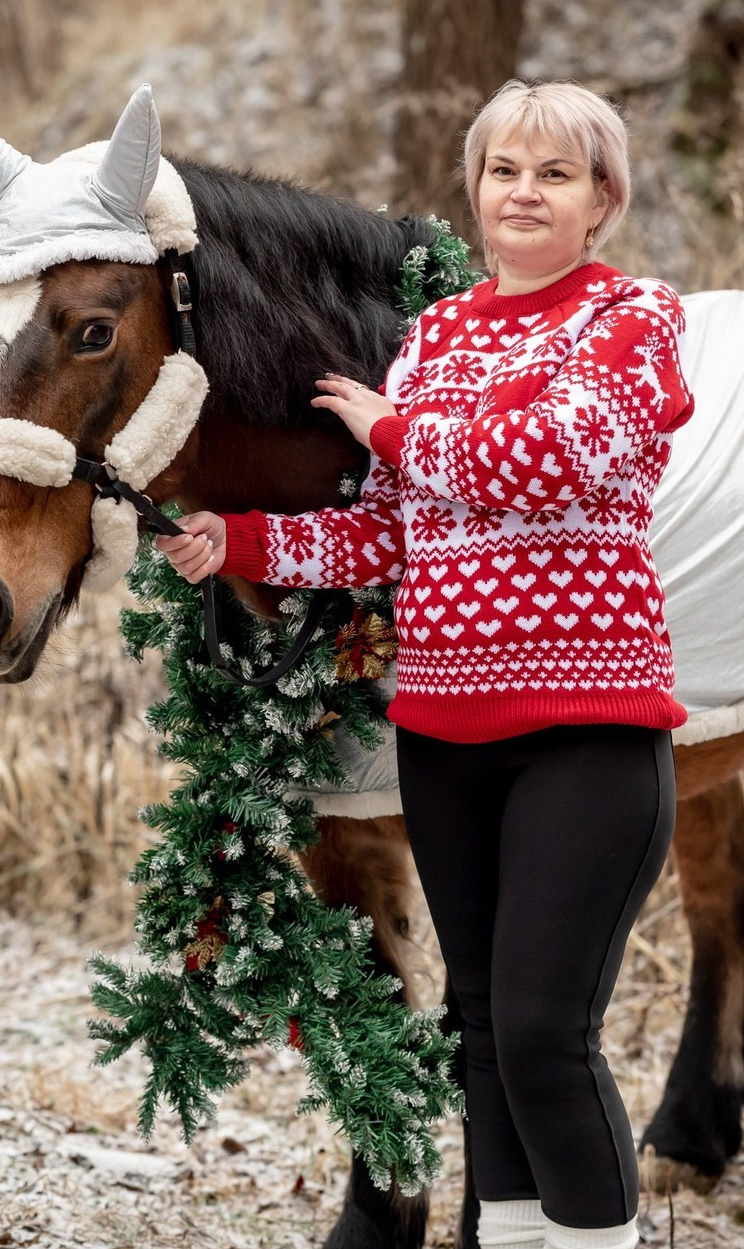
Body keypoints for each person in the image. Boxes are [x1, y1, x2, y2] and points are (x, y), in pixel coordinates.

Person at [157, 79, 693, 1249]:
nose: (523, 192)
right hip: (445, 735)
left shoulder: (628, 319)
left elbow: (550, 453)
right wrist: (237, 541)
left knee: (550, 1032)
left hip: (586, 727)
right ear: (474, 188)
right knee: (484, 1028)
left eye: (555, 173)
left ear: (602, 199)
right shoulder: (436, 336)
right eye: (504, 169)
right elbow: (392, 529)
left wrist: (389, 428)